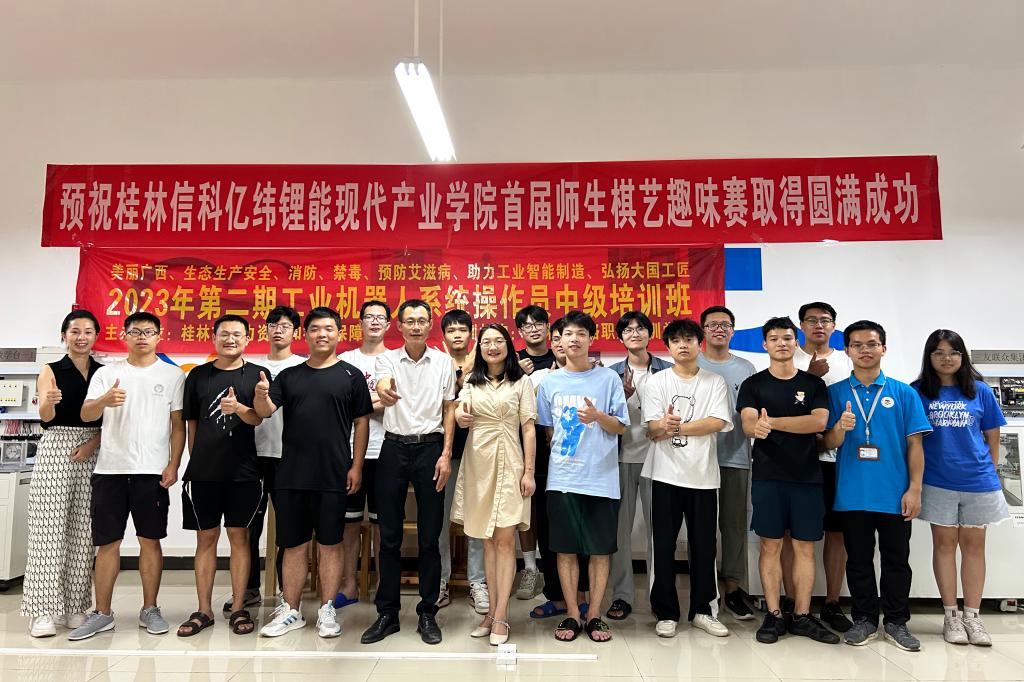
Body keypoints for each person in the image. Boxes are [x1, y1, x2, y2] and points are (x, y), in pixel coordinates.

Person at [254, 307, 373, 639]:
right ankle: (291, 610)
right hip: (291, 474)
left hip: (333, 474)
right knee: (293, 545)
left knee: (330, 544)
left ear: (339, 334)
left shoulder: (351, 375)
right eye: (316, 329)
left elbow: (362, 422)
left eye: (329, 329)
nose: (322, 334)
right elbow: (265, 411)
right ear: (305, 335)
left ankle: (326, 610)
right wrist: (261, 396)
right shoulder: (289, 376)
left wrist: (356, 466)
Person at [69, 312, 185, 641]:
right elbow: (86, 413)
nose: (142, 337)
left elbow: (178, 426)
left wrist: (174, 463)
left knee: (150, 540)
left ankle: (150, 608)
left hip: (151, 472)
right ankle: (102, 613)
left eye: (149, 331)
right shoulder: (107, 374)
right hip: (110, 470)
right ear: (125, 335)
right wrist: (105, 400)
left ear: (159, 336)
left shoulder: (173, 375)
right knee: (108, 543)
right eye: (135, 331)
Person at [822, 320, 930, 651]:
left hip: (895, 494)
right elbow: (826, 443)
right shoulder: (835, 393)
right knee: (858, 560)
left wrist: (915, 489)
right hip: (852, 494)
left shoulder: (904, 393)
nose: (865, 350)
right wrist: (840, 428)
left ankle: (896, 622)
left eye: (871, 344)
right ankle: (865, 620)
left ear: (883, 348)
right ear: (847, 350)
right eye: (857, 345)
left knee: (897, 560)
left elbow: (915, 445)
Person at [736, 316, 837, 645]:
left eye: (787, 338)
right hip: (768, 477)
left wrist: (773, 423)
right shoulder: (753, 384)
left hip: (807, 477)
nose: (781, 343)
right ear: (764, 345)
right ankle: (774, 614)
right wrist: (761, 425)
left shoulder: (813, 384)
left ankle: (803, 615)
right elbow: (749, 425)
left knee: (805, 547)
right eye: (774, 338)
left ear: (796, 343)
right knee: (770, 546)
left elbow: (818, 423)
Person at [361, 299, 456, 646]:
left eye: (422, 321)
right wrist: (385, 391)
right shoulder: (386, 359)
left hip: (431, 449)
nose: (416, 326)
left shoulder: (444, 362)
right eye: (409, 321)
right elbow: (384, 385)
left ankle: (428, 612)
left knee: (430, 536)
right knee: (389, 536)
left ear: (430, 325)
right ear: (399, 326)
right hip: (393, 449)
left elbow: (449, 409)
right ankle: (387, 612)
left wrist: (446, 454)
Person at [535, 310, 628, 643]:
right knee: (565, 550)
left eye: (581, 333)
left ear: (591, 339)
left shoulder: (609, 379)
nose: (573, 339)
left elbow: (620, 427)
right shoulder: (549, 383)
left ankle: (595, 614)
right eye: (567, 334)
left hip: (602, 478)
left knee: (600, 550)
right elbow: (548, 431)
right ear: (558, 340)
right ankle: (573, 613)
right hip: (562, 479)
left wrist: (597, 416)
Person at [913, 329, 1010, 647]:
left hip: (978, 482)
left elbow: (993, 438)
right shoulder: (918, 392)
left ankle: (973, 616)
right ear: (929, 357)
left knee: (974, 548)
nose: (947, 358)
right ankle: (951, 616)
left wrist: (988, 472)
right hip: (937, 481)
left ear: (962, 356)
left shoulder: (980, 391)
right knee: (943, 546)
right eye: (939, 353)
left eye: (953, 352)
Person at [175, 315, 267, 637]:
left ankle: (239, 606)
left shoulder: (257, 374)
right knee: (205, 539)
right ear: (213, 338)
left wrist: (239, 408)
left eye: (237, 334)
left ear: (248, 338)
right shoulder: (198, 376)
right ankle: (204, 610)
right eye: (224, 334)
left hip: (245, 472)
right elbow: (191, 424)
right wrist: (196, 460)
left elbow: (258, 418)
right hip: (204, 473)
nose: (230, 339)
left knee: (240, 538)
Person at [643, 319, 733, 639]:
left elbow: (717, 422)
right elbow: (651, 429)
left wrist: (675, 428)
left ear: (699, 343)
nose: (683, 345)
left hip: (703, 477)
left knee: (705, 546)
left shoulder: (715, 382)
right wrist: (662, 426)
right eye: (676, 340)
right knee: (663, 546)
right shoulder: (656, 382)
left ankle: (703, 611)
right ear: (668, 346)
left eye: (689, 339)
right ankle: (666, 612)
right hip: (664, 475)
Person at [452, 323, 537, 645]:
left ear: (507, 346)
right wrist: (460, 417)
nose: (492, 346)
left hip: (511, 463)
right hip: (478, 465)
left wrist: (529, 472)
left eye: (498, 340)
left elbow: (528, 428)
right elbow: (460, 409)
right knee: (486, 541)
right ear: (480, 348)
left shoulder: (522, 382)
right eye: (486, 341)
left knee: (504, 541)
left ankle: (501, 615)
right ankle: (489, 615)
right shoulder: (471, 382)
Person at [21, 310, 103, 638]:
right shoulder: (51, 370)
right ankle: (41, 611)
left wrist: (92, 444)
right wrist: (49, 401)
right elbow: (45, 416)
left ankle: (74, 606)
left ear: (96, 336)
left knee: (83, 533)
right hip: (57, 446)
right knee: (48, 530)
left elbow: (111, 420)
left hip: (94, 450)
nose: (81, 337)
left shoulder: (103, 372)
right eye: (75, 331)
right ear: (64, 336)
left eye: (88, 331)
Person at [226, 305, 305, 614]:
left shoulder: (303, 367)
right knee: (248, 528)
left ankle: (288, 592)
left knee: (289, 528)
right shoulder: (250, 368)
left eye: (285, 326)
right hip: (252, 457)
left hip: (289, 458)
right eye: (273, 325)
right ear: (265, 330)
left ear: (296, 332)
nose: (278, 330)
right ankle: (248, 590)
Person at [791, 301, 854, 631]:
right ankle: (792, 603)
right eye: (812, 320)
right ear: (801, 325)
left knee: (836, 532)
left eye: (825, 320)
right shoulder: (789, 358)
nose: (819, 325)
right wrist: (809, 378)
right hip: (798, 458)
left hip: (837, 459)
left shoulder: (847, 360)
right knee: (792, 533)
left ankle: (831, 602)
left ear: (834, 326)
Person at [606, 311, 671, 622]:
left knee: (660, 530)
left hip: (659, 458)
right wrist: (621, 396)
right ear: (620, 337)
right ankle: (622, 596)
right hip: (621, 459)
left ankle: (660, 598)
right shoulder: (610, 375)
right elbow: (602, 417)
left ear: (650, 334)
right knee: (620, 532)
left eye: (640, 328)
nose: (635, 333)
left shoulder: (667, 371)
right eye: (628, 330)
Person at [527, 316, 592, 618]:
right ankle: (556, 597)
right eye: (558, 338)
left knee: (580, 535)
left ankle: (581, 597)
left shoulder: (595, 376)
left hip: (582, 468)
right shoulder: (541, 379)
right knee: (549, 534)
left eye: (575, 336)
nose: (564, 343)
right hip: (545, 466)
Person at [697, 305, 757, 621]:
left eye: (725, 324)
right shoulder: (692, 363)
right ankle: (705, 590)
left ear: (732, 330)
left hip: (735, 457)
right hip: (696, 460)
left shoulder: (746, 368)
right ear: (703, 331)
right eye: (712, 325)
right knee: (701, 528)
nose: (719, 329)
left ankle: (732, 589)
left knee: (733, 526)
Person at [337, 301, 389, 607]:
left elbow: (394, 401)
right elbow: (341, 402)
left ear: (389, 325)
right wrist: (375, 401)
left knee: (384, 523)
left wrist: (360, 404)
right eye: (369, 317)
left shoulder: (394, 360)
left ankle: (383, 585)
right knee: (349, 523)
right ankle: (348, 586)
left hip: (385, 451)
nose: (375, 322)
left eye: (380, 318)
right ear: (360, 323)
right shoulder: (345, 360)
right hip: (348, 452)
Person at [437, 309, 488, 614]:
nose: (457, 335)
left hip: (478, 452)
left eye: (462, 330)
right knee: (439, 521)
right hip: (443, 454)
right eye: (451, 330)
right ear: (443, 335)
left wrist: (469, 373)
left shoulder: (484, 364)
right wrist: (459, 376)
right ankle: (441, 580)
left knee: (477, 519)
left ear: (471, 334)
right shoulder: (435, 363)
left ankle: (477, 582)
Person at [514, 304, 555, 599]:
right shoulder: (512, 360)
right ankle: (530, 569)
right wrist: (518, 374)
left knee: (553, 513)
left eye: (538, 323)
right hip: (520, 446)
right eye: (527, 325)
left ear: (548, 327)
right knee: (526, 511)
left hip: (557, 449)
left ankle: (555, 572)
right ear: (519, 331)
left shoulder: (562, 357)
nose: (533, 329)